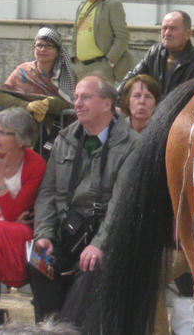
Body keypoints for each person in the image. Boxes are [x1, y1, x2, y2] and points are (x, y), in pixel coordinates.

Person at [28, 75, 138, 326]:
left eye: (86, 97)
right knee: (37, 263)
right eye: (76, 97)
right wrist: (44, 235)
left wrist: (99, 244)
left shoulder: (131, 145)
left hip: (105, 241)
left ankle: (67, 329)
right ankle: (46, 329)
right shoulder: (65, 139)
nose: (77, 103)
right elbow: (47, 193)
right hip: (65, 234)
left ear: (107, 104)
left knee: (91, 271)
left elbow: (121, 205)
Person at [0, 108, 47, 324]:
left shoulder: (35, 165)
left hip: (23, 238)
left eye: (2, 132)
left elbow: (14, 212)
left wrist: (0, 183)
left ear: (19, 139)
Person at [118, 11, 194, 98]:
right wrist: (116, 96)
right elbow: (134, 76)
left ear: (188, 34)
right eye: (164, 28)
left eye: (173, 29)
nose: (167, 33)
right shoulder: (155, 51)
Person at [0, 27, 76, 125]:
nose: (43, 49)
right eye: (39, 45)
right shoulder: (23, 71)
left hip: (57, 130)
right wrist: (27, 106)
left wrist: (51, 103)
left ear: (58, 52)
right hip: (24, 126)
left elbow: (73, 102)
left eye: (49, 46)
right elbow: (2, 96)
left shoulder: (67, 75)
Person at [72, 0, 132, 83]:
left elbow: (122, 36)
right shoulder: (82, 5)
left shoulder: (113, 5)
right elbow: (76, 33)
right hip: (81, 68)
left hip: (101, 67)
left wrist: (110, 61)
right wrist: (74, 56)